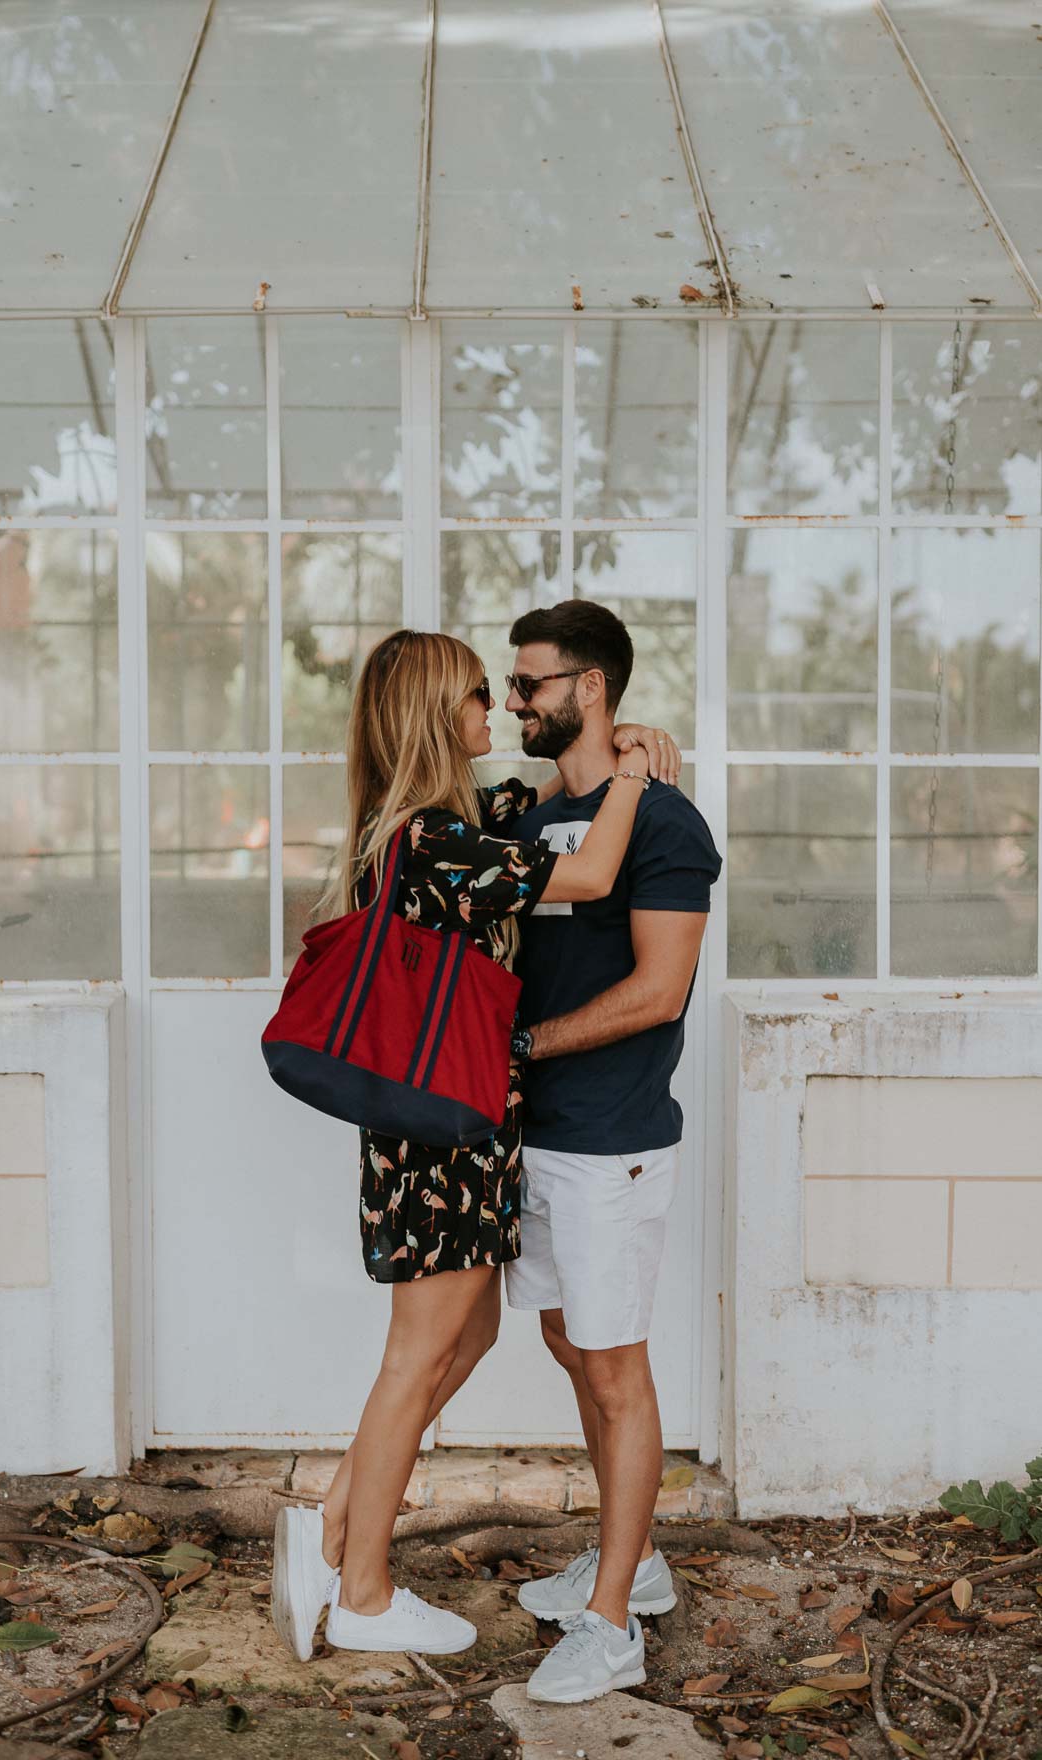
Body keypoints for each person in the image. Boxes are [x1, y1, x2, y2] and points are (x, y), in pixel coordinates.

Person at [271, 628, 681, 1661]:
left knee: (465, 1342)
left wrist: (609, 736)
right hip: (439, 1133)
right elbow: (586, 874)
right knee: (417, 1359)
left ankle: (326, 1532)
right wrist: (632, 774)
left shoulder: (459, 823)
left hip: (452, 1129)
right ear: (429, 713)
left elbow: (537, 810)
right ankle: (361, 1586)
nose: (491, 710)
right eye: (472, 696)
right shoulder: (431, 842)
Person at [502, 600, 722, 1705]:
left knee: (617, 1365)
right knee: (567, 1336)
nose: (512, 699)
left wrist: (525, 1043)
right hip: (534, 1133)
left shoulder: (667, 823)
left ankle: (611, 1624)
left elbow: (657, 989)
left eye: (530, 682)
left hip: (609, 1141)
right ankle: (633, 1561)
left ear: (588, 687)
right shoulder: (545, 807)